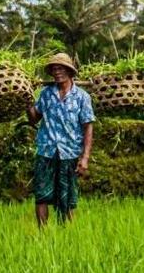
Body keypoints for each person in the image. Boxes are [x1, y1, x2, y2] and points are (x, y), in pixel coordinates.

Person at [27, 53, 95, 227]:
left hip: (69, 152)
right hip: (46, 151)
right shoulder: (46, 94)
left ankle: (67, 236)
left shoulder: (82, 97)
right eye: (54, 69)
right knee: (41, 195)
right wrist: (27, 102)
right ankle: (42, 235)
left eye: (61, 68)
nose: (57, 72)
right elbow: (34, 119)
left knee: (67, 197)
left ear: (70, 71)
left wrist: (85, 157)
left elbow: (88, 127)